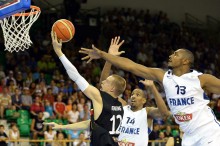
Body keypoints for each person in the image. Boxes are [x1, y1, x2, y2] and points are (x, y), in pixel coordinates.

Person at [80, 45, 220, 146]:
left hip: (208, 130)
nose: (171, 55)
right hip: (188, 135)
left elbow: (164, 113)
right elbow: (132, 66)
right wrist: (104, 55)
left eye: (176, 54)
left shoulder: (201, 79)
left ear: (185, 61)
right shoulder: (164, 76)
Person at [47, 33, 127, 146]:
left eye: (107, 81)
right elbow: (91, 124)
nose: (102, 82)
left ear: (112, 88)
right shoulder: (121, 105)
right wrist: (62, 126)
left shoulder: (99, 97)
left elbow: (75, 76)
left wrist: (59, 52)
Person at [117, 79, 170, 146]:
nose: (133, 96)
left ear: (143, 100)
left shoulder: (147, 112)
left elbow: (165, 113)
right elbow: (105, 93)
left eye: (137, 95)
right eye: (132, 94)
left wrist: (152, 87)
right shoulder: (124, 107)